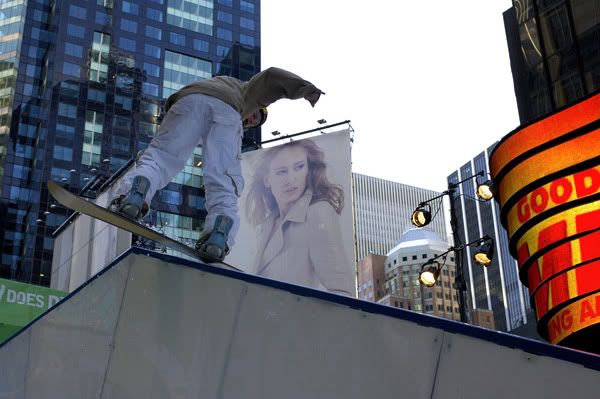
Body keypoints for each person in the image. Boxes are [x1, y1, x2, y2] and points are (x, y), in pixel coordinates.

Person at [110, 67, 324, 262]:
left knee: (161, 156)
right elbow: (271, 78)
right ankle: (218, 234)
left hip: (186, 102)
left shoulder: (213, 83)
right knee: (223, 179)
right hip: (225, 110)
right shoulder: (246, 90)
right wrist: (306, 89)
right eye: (253, 116)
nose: (249, 121)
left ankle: (135, 195)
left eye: (252, 124)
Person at [244, 139, 355, 296]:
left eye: (299, 167)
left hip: (296, 318)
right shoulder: (267, 223)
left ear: (309, 169)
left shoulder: (318, 212)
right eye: (282, 171)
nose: (291, 180)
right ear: (267, 180)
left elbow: (342, 292)